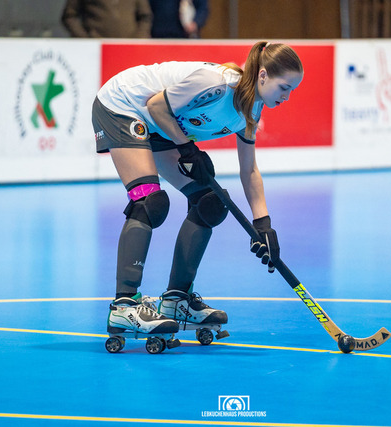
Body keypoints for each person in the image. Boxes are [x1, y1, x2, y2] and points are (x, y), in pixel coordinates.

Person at [92, 41, 303, 335]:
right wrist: (187, 149)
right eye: (284, 87)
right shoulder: (217, 85)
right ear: (264, 76)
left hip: (160, 124)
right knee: (150, 202)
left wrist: (263, 225)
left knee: (211, 204)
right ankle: (124, 306)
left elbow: (249, 170)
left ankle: (176, 300)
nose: (287, 97)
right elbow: (156, 106)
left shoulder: (252, 110)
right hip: (123, 105)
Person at [61, 0, 152, 38]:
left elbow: (145, 16)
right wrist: (85, 38)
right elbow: (69, 15)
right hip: (95, 48)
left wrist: (139, 37)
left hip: (129, 46)